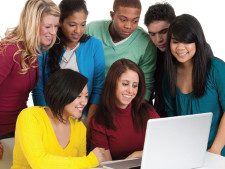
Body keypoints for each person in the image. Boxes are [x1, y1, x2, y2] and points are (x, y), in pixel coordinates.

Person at [0, 0, 60, 159]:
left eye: (56, 27)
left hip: (18, 128)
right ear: (32, 24)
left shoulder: (34, 49)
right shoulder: (9, 50)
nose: (53, 32)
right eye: (48, 27)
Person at [11, 69, 106, 169]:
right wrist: (90, 160)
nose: (84, 102)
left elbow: (79, 165)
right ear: (62, 94)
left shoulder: (79, 128)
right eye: (79, 96)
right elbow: (38, 163)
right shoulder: (30, 117)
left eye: (86, 96)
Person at [32, 0, 105, 128]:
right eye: (72, 24)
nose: (78, 30)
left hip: (82, 119)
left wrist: (88, 123)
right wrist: (48, 122)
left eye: (83, 24)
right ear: (60, 22)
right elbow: (38, 90)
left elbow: (98, 89)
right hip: (50, 119)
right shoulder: (44, 45)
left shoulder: (94, 45)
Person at [162, 14, 225, 156]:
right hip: (188, 153)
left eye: (187, 41)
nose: (180, 47)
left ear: (197, 41)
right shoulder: (168, 77)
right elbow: (173, 119)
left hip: (218, 151)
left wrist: (215, 150)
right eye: (175, 41)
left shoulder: (216, 68)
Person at [85, 0, 156, 100]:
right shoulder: (91, 30)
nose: (129, 26)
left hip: (124, 103)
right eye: (123, 20)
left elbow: (146, 85)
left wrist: (137, 111)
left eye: (135, 21)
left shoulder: (146, 42)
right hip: (88, 96)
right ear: (112, 15)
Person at [91, 59, 159, 160]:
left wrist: (136, 155)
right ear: (112, 83)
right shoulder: (99, 122)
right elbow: (107, 166)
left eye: (135, 85)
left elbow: (164, 146)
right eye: (125, 84)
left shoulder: (148, 111)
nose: (130, 90)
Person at [144, 2, 176, 117]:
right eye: (152, 34)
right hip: (159, 119)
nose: (158, 40)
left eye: (163, 32)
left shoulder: (195, 49)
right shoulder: (151, 54)